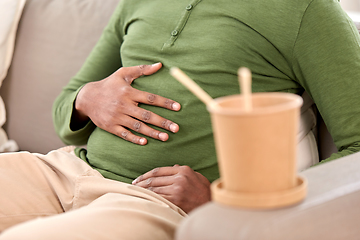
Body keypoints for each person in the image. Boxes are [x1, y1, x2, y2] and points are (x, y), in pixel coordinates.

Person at [1, 0, 360, 239]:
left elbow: (357, 149)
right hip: (64, 170)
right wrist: (88, 99)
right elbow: (66, 106)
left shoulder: (307, 9)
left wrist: (226, 201)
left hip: (153, 202)